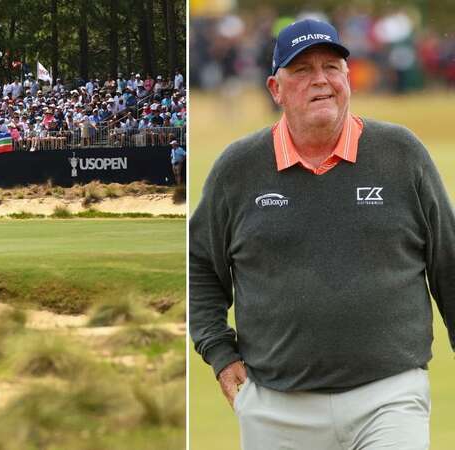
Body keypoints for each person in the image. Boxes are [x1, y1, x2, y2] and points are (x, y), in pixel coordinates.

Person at [189, 19, 455, 450]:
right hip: (276, 407)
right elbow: (198, 264)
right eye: (302, 70)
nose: (321, 81)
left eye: (332, 67)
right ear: (276, 89)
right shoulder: (238, 169)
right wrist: (220, 352)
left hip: (389, 396)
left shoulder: (401, 154)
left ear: (348, 78)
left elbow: (449, 260)